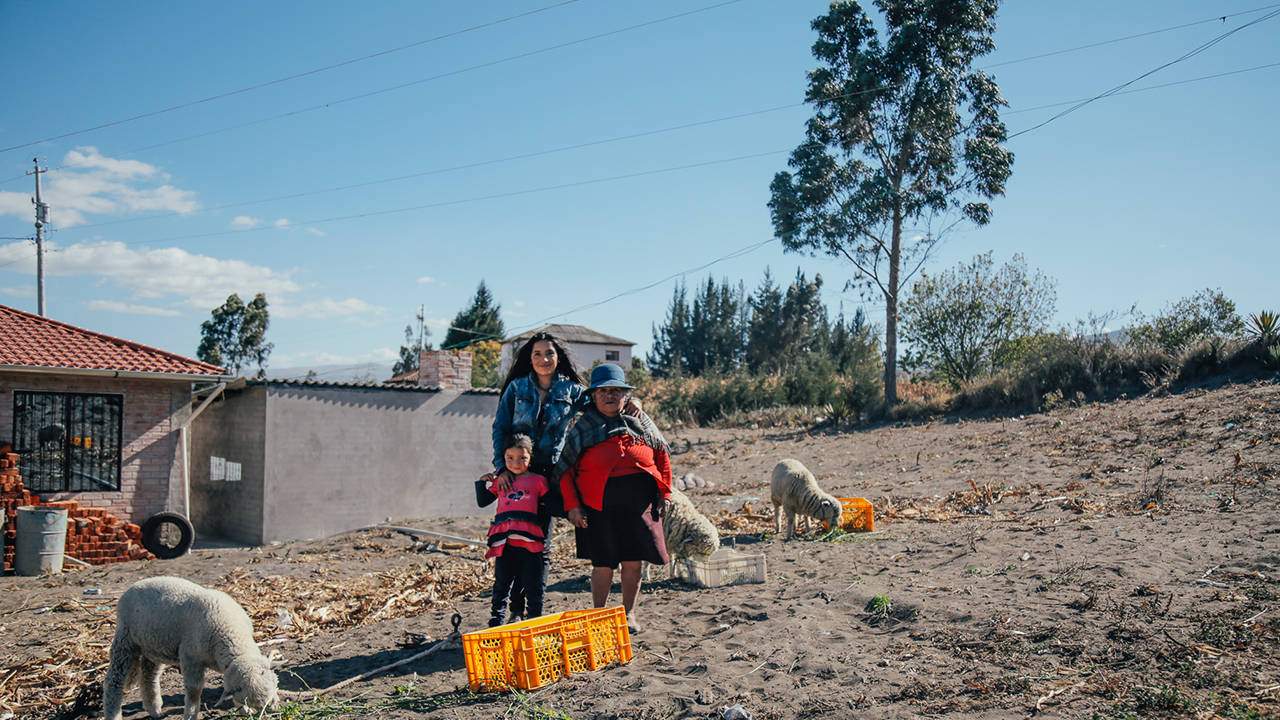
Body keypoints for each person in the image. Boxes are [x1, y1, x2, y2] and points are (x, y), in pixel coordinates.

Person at [482, 332, 645, 621]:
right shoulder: (517, 388)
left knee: (537, 545)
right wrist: (502, 467)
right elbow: (500, 429)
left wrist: (636, 403)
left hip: (550, 477)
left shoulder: (573, 392)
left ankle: (533, 612)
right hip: (516, 473)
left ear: (558, 359)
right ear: (529, 359)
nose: (544, 359)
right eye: (537, 354)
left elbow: (604, 401)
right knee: (513, 540)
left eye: (549, 354)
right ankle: (514, 611)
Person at [555, 364, 671, 633]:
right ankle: (599, 615)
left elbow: (662, 454)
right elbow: (565, 470)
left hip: (639, 501)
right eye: (603, 391)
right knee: (603, 563)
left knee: (633, 560)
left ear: (625, 395)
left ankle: (628, 614)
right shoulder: (583, 426)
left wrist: (664, 493)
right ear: (594, 395)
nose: (609, 395)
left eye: (616, 390)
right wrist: (572, 506)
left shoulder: (641, 420)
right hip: (598, 503)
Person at [484, 434, 550, 627]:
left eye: (522, 458)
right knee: (501, 585)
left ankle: (535, 621)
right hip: (505, 545)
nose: (516, 462)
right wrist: (482, 482)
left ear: (531, 458)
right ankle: (496, 622)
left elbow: (552, 504)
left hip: (530, 544)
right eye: (510, 458)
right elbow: (483, 501)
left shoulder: (538, 480)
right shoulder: (502, 480)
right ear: (503, 459)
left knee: (533, 586)